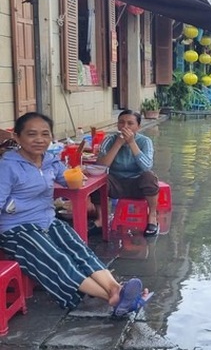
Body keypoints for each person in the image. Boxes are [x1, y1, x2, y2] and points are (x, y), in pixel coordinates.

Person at [0, 112, 150, 315]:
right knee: (56, 259)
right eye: (31, 134)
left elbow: (69, 179)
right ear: (17, 137)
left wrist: (77, 174)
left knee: (79, 248)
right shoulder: (7, 166)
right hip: (17, 228)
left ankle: (116, 288)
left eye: (45, 134)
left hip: (47, 220)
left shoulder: (49, 161)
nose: (39, 140)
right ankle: (113, 299)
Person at [93, 109, 160, 237]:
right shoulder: (110, 140)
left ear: (138, 127)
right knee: (97, 181)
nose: (125, 127)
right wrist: (118, 144)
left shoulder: (145, 141)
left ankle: (152, 216)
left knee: (149, 177)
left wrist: (131, 143)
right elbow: (101, 166)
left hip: (137, 183)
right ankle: (101, 218)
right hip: (115, 182)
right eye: (121, 123)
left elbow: (146, 167)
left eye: (130, 123)